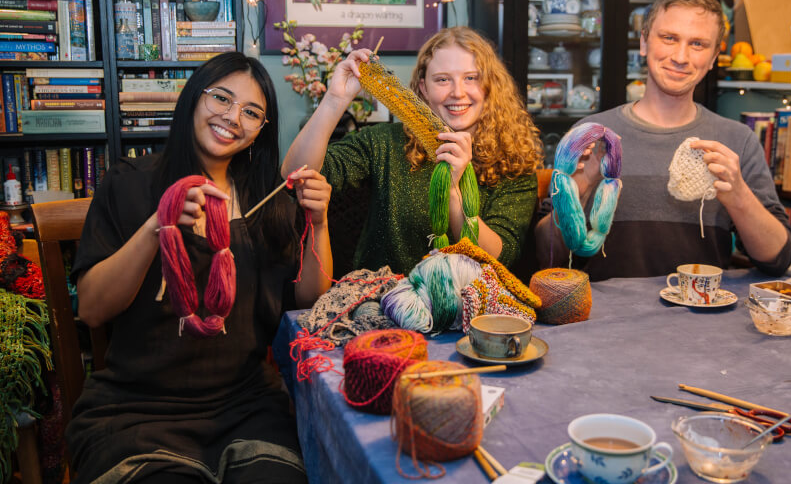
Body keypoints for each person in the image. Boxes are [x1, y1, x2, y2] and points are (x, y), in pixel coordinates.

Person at [66, 52, 332, 483]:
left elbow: (311, 302)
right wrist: (159, 224)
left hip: (246, 407)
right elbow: (93, 309)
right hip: (135, 412)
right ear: (193, 97)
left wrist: (318, 224)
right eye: (221, 98)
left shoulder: (269, 203)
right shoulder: (130, 182)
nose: (232, 117)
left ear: (260, 132)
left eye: (251, 112)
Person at [536, 0, 791, 280]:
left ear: (713, 58)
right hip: (603, 320)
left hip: (704, 320)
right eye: (669, 38)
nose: (681, 56)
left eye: (698, 44)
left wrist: (738, 195)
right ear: (644, 42)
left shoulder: (737, 141)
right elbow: (546, 255)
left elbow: (778, 259)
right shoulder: (591, 136)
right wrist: (576, 195)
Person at [282, 26, 543, 276]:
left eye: (471, 78)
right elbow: (296, 173)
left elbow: (498, 258)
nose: (458, 92)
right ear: (423, 89)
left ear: (489, 87)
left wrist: (453, 189)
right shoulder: (384, 143)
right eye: (442, 80)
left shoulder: (514, 161)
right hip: (384, 301)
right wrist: (335, 100)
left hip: (473, 308)